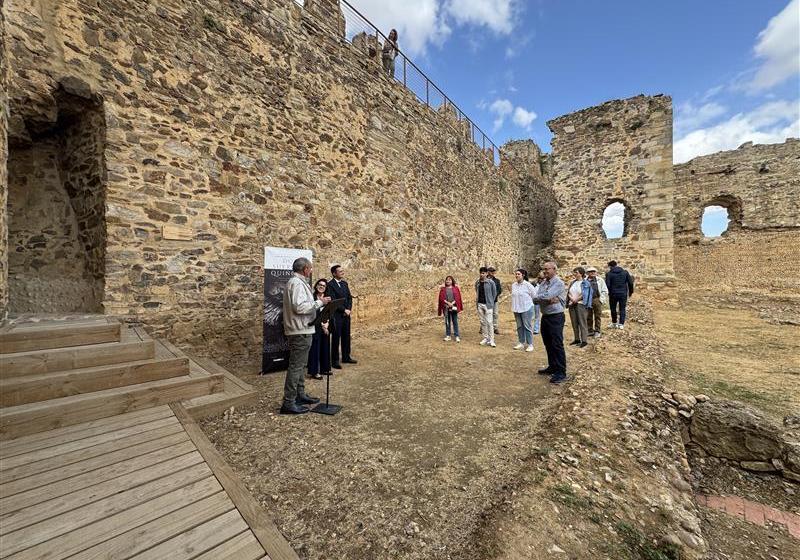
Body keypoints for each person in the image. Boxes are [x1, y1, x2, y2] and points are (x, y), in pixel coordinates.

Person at [281, 257, 329, 414]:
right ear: (305, 269)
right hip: (299, 330)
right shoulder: (296, 283)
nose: (312, 270)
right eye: (310, 268)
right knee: (296, 366)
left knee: (300, 365)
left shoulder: (298, 283)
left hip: (303, 329)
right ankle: (288, 402)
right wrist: (320, 302)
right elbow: (300, 308)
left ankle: (300, 395)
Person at [532, 261, 568, 384]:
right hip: (546, 316)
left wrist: (545, 298)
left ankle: (561, 372)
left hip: (556, 317)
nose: (545, 271)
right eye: (544, 269)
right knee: (548, 343)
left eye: (547, 269)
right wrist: (546, 299)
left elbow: (546, 296)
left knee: (557, 344)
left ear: (554, 269)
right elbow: (536, 298)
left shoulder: (558, 283)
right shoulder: (543, 283)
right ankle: (552, 366)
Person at [326, 264, 357, 368]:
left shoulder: (344, 283)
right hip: (337, 315)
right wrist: (343, 310)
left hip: (346, 315)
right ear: (334, 273)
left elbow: (349, 297)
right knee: (336, 337)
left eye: (342, 271)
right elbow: (333, 300)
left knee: (346, 336)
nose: (342, 272)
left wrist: (348, 309)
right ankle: (334, 360)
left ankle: (346, 356)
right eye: (340, 271)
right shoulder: (330, 285)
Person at [307, 279, 331, 380]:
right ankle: (314, 372)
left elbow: (329, 312)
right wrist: (322, 325)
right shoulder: (311, 297)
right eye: (320, 285)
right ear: (316, 286)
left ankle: (324, 369)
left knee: (325, 346)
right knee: (315, 348)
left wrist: (327, 324)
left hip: (325, 325)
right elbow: (312, 313)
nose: (321, 287)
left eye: (324, 286)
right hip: (315, 326)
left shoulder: (327, 298)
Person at [511, 268, 537, 352]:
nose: (516, 275)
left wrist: (529, 305)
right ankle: (521, 342)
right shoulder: (514, 285)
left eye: (518, 274)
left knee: (527, 326)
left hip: (526, 308)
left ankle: (530, 344)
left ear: (523, 275)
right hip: (516, 308)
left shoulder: (528, 285)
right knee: (519, 326)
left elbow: (534, 296)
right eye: (516, 274)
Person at [605, 260, 634, 329]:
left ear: (610, 266)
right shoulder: (625, 272)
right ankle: (621, 324)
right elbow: (630, 283)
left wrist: (609, 292)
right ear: (616, 265)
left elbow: (608, 285)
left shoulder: (609, 274)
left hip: (613, 294)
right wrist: (630, 292)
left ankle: (614, 323)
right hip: (623, 293)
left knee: (613, 309)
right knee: (622, 308)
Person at [567, 267, 591, 348]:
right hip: (572, 304)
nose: (574, 274)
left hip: (581, 304)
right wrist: (571, 299)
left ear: (581, 273)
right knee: (574, 322)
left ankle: (584, 340)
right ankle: (577, 339)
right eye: (574, 272)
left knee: (582, 322)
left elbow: (585, 294)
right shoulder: (572, 282)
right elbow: (568, 292)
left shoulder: (586, 283)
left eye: (576, 272)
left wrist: (576, 300)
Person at [474, 266, 497, 347]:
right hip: (480, 304)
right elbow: (476, 291)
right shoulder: (477, 282)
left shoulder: (491, 282)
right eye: (480, 273)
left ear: (487, 273)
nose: (481, 275)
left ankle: (492, 340)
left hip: (488, 305)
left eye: (483, 273)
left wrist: (491, 302)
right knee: (482, 321)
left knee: (489, 322)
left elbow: (494, 293)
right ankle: (485, 337)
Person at [438, 275, 463, 342]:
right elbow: (441, 298)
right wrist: (447, 303)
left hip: (453, 307)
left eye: (449, 280)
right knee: (447, 322)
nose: (448, 281)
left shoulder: (456, 288)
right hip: (446, 307)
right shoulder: (443, 289)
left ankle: (457, 335)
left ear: (452, 281)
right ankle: (448, 335)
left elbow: (458, 298)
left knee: (455, 321)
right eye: (447, 280)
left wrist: (452, 303)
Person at [585, 266, 608, 337]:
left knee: (597, 316)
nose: (592, 273)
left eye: (594, 271)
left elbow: (605, 290)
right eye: (591, 271)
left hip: (596, 299)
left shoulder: (600, 280)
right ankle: (590, 330)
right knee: (588, 315)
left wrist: (601, 300)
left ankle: (597, 330)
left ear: (596, 272)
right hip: (588, 300)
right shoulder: (584, 281)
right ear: (588, 273)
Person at [487, 266, 502, 335]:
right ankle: (484, 327)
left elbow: (499, 290)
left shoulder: (497, 281)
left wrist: (494, 296)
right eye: (491, 271)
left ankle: (495, 327)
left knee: (495, 314)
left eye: (493, 271)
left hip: (494, 300)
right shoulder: (484, 279)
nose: (492, 273)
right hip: (486, 300)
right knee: (486, 313)